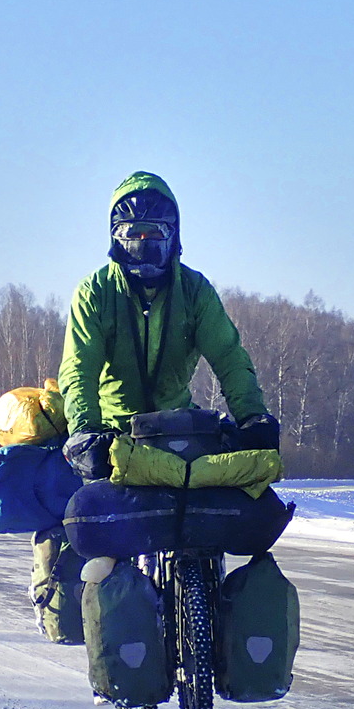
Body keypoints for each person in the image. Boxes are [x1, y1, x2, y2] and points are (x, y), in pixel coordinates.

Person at [58, 170, 278, 480]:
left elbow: (229, 358)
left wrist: (253, 418)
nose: (142, 246)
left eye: (155, 235)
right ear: (114, 237)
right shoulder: (94, 292)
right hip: (111, 439)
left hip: (177, 433)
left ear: (173, 236)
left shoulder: (194, 290)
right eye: (132, 235)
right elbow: (78, 368)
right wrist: (84, 431)